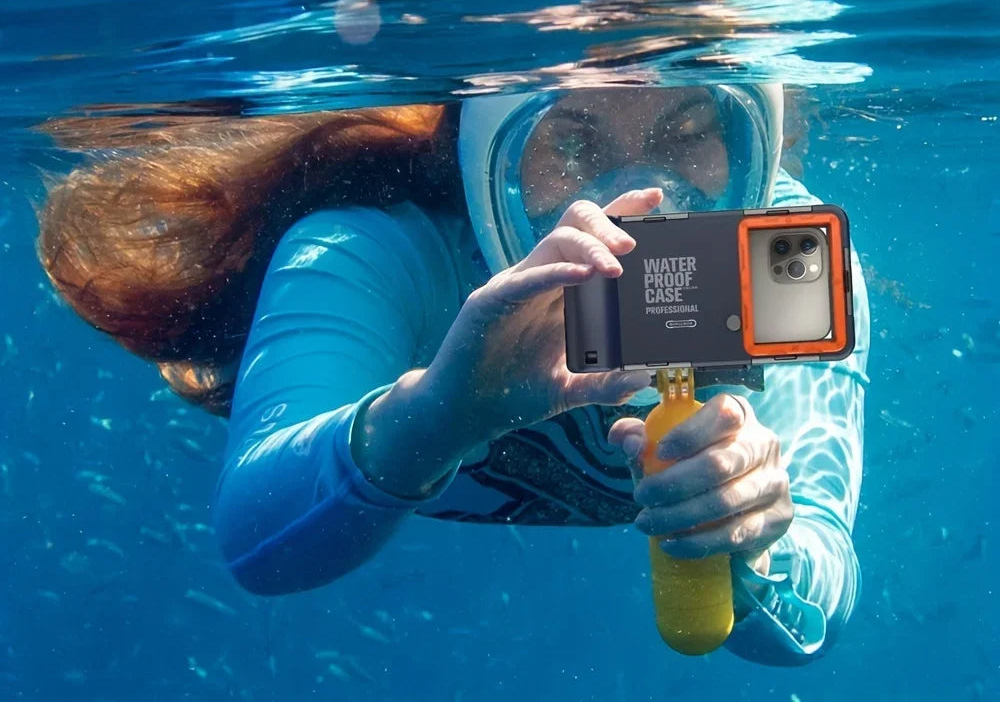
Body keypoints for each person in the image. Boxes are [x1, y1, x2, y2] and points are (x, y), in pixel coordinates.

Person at [37, 84, 869, 666]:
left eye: (691, 134)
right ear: (488, 161)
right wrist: (443, 411)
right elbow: (257, 541)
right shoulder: (380, 250)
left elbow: (818, 590)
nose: (641, 195)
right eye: (570, 142)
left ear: (754, 149)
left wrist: (756, 548)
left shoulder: (785, 263)